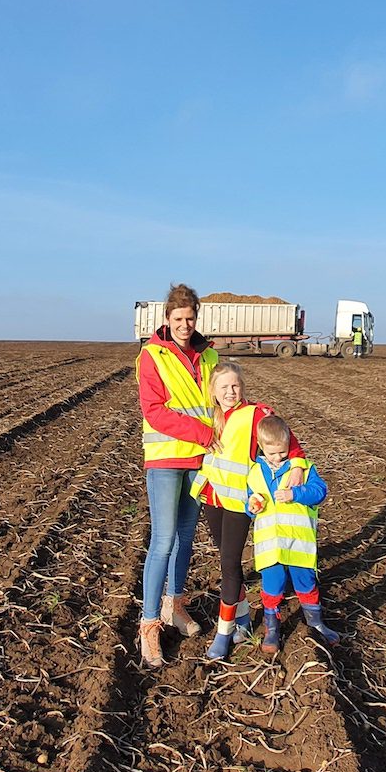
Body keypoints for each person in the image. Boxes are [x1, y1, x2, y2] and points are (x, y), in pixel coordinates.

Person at [192, 361, 304, 663]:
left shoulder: (256, 414)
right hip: (213, 496)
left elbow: (289, 443)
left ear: (242, 387)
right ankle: (242, 620)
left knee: (229, 564)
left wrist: (296, 465)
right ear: (213, 391)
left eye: (236, 385)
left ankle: (223, 633)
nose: (231, 391)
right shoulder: (210, 417)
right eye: (224, 386)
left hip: (240, 501)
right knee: (227, 561)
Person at [137, 283, 216, 667]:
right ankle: (148, 625)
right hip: (167, 459)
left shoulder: (210, 355)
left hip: (199, 462)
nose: (185, 324)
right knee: (164, 539)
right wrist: (204, 434)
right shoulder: (152, 355)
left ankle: (174, 605)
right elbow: (155, 411)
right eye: (178, 318)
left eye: (190, 318)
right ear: (167, 320)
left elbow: (222, 403)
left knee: (187, 537)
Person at [245, 415, 335, 655]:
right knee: (272, 586)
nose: (278, 458)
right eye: (272, 453)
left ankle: (315, 622)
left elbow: (319, 492)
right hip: (270, 546)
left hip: (298, 544)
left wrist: (296, 494)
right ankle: (272, 627)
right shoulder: (254, 472)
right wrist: (252, 504)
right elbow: (249, 498)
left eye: (283, 453)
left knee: (305, 582)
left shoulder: (303, 468)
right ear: (261, 447)